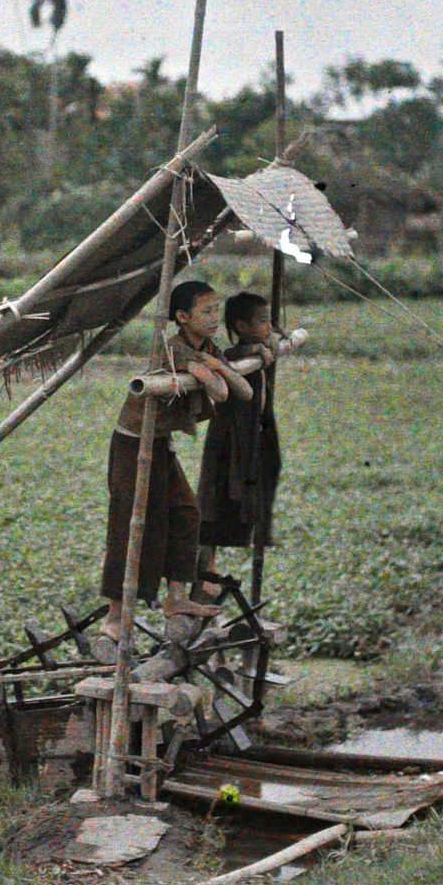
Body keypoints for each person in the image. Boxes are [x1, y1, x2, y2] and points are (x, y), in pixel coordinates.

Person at [95, 279, 251, 659]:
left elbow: (241, 391)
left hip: (160, 443)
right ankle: (114, 617)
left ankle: (177, 598)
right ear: (182, 318)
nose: (215, 318)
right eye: (207, 312)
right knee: (130, 524)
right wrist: (212, 370)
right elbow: (221, 393)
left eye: (217, 310)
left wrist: (214, 364)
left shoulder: (205, 348)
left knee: (186, 512)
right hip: (133, 443)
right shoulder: (174, 348)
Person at [195, 290, 285, 592]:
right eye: (262, 321)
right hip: (228, 445)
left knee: (248, 498)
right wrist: (257, 350)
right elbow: (230, 358)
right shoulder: (236, 356)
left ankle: (207, 575)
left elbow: (275, 338)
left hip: (253, 443)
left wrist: (264, 345)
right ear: (242, 326)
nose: (269, 327)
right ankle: (204, 573)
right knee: (214, 506)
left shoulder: (261, 349)